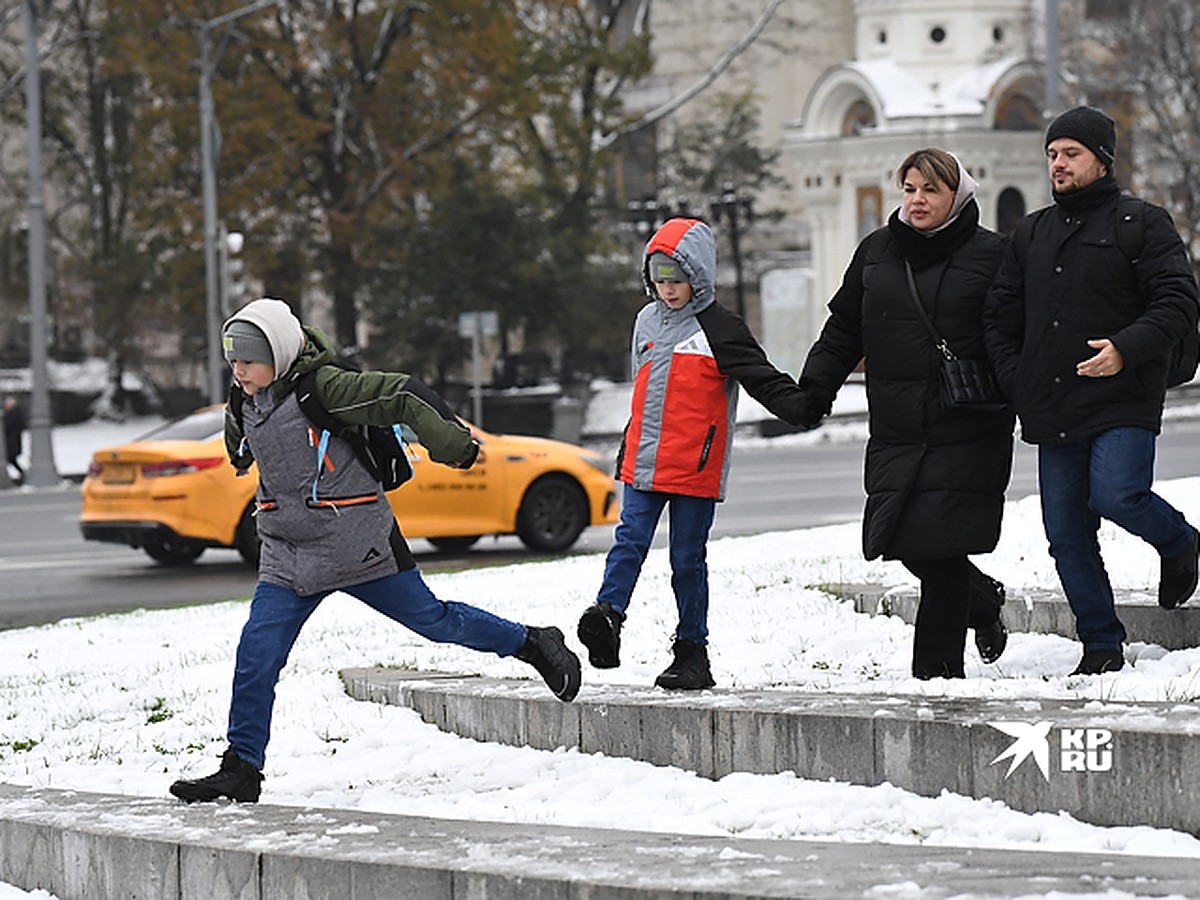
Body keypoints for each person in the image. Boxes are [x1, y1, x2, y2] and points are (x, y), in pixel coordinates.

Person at [170, 298, 581, 804]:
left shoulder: (327, 387)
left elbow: (403, 394)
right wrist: (238, 447)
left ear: (277, 354)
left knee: (436, 621)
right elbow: (245, 443)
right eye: (231, 359)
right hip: (288, 552)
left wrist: (452, 444)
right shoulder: (244, 399)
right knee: (256, 655)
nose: (237, 370)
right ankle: (242, 768)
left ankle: (533, 642)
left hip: (357, 542)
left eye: (247, 360)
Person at [984, 106, 1200, 676]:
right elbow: (999, 319)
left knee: (1117, 494)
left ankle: (1179, 541)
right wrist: (1017, 378)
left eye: (1071, 153)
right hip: (1051, 404)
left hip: (1124, 394)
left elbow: (1178, 302)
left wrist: (1125, 349)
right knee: (1067, 535)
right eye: (1052, 154)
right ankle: (1101, 646)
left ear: (1101, 160)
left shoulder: (1143, 223)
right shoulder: (1030, 232)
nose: (1058, 163)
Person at [795, 148, 1013, 680]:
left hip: (966, 424)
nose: (917, 200)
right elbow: (845, 328)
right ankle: (981, 600)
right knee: (902, 538)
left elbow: (1015, 337)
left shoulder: (994, 256)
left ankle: (936, 681)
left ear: (957, 196)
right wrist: (814, 388)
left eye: (930, 190)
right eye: (910, 189)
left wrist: (1036, 397)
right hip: (897, 425)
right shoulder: (877, 251)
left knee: (940, 551)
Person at [575, 217, 812, 690]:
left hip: (694, 468)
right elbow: (644, 385)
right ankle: (607, 619)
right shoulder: (645, 320)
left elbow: (762, 377)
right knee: (629, 542)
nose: (668, 290)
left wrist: (805, 406)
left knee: (687, 559)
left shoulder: (720, 327)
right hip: (642, 460)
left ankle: (692, 653)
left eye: (677, 281)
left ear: (698, 276)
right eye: (659, 280)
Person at [3, 396, 25, 485]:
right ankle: (22, 473)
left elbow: (7, 426)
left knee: (9, 459)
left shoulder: (13, 414)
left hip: (11, 441)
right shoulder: (15, 413)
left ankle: (21, 474)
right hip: (12, 441)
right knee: (11, 459)